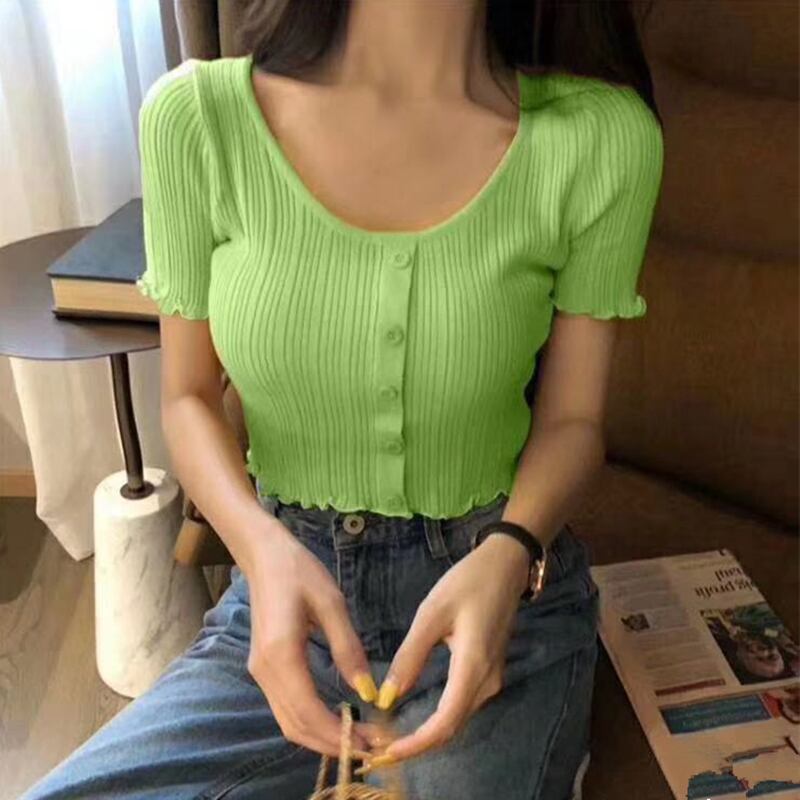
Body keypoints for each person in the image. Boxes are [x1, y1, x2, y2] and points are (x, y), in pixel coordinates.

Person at [22, 0, 664, 798]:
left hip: (500, 603)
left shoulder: (600, 139)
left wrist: (508, 555)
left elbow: (574, 420)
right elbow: (188, 398)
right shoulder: (196, 121)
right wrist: (261, 553)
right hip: (286, 598)